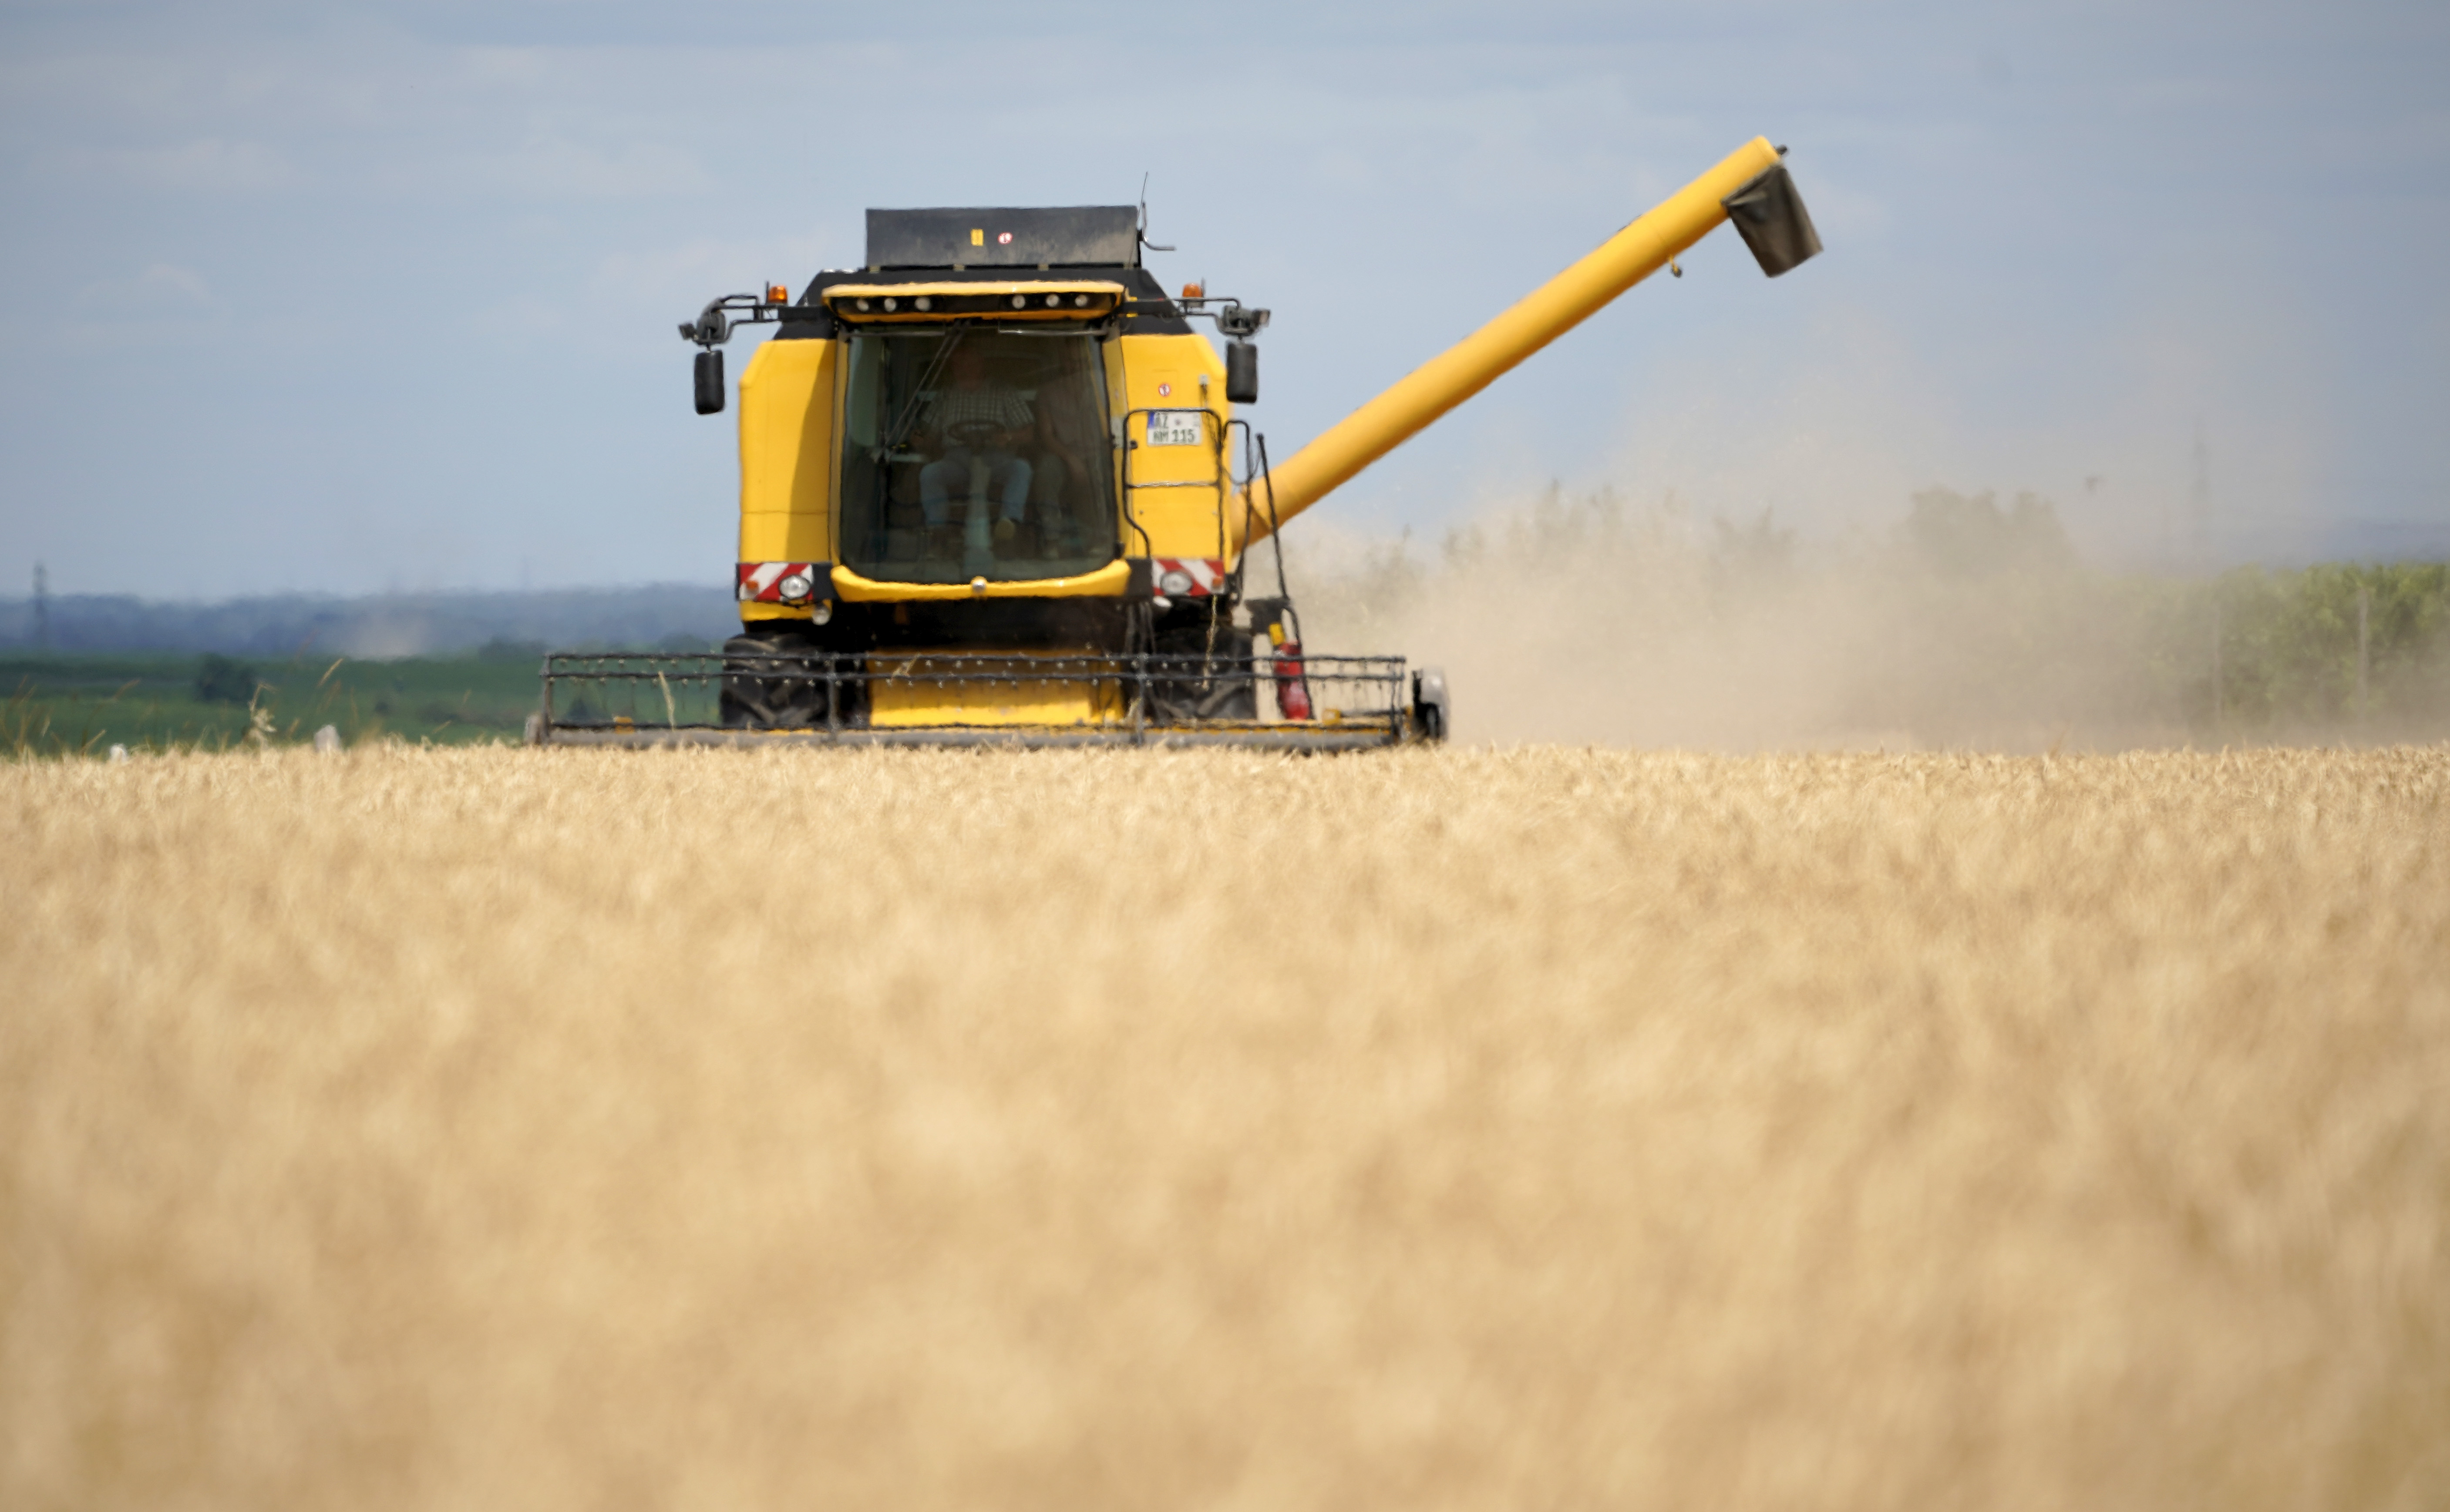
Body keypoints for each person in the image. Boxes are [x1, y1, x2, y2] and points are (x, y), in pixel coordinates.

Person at [918, 346, 1033, 528]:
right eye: (959, 366)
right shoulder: (945, 395)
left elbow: (1029, 433)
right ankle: (936, 530)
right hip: (957, 461)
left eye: (971, 365)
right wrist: (919, 441)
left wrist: (1009, 437)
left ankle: (1009, 523)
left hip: (996, 458)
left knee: (1021, 468)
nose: (965, 370)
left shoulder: (1004, 392)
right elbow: (928, 437)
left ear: (982, 366)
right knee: (930, 473)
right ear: (952, 369)